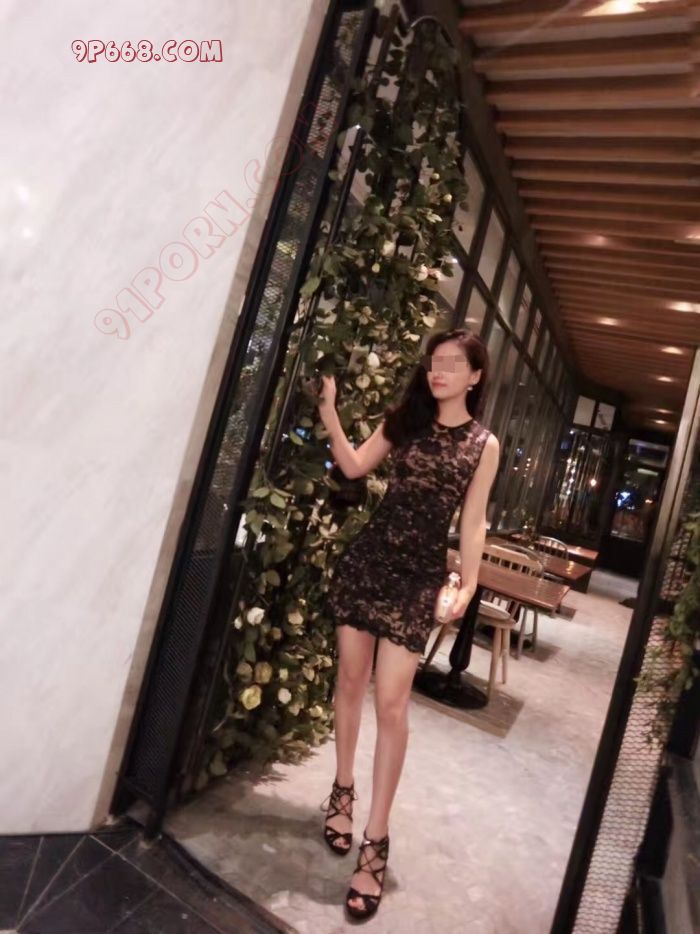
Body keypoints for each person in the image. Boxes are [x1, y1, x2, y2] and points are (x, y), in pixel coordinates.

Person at [315, 327, 500, 920]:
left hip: (418, 578)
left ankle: (376, 838)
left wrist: (467, 583)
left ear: (475, 376)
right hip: (369, 562)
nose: (438, 371)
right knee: (350, 681)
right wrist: (330, 411)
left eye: (452, 363)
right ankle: (342, 790)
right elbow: (353, 465)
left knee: (392, 704)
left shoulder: (484, 444)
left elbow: (473, 522)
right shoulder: (405, 421)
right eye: (434, 362)